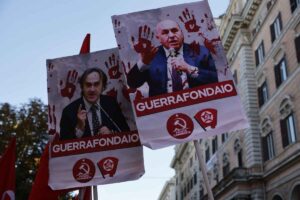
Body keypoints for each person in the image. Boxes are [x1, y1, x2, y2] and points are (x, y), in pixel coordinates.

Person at [127, 19, 218, 97]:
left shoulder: (200, 52)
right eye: (165, 32)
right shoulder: (151, 56)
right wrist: (143, 62)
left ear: (182, 33)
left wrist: (189, 68)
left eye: (174, 30)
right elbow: (132, 83)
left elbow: (216, 78)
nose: (171, 35)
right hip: (164, 112)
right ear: (158, 38)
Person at [59, 68, 129, 140]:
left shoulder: (111, 104)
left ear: (103, 86)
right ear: (82, 87)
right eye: (88, 85)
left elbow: (126, 133)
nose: (92, 89)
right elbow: (63, 146)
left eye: (96, 84)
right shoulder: (68, 111)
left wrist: (111, 134)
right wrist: (79, 129)